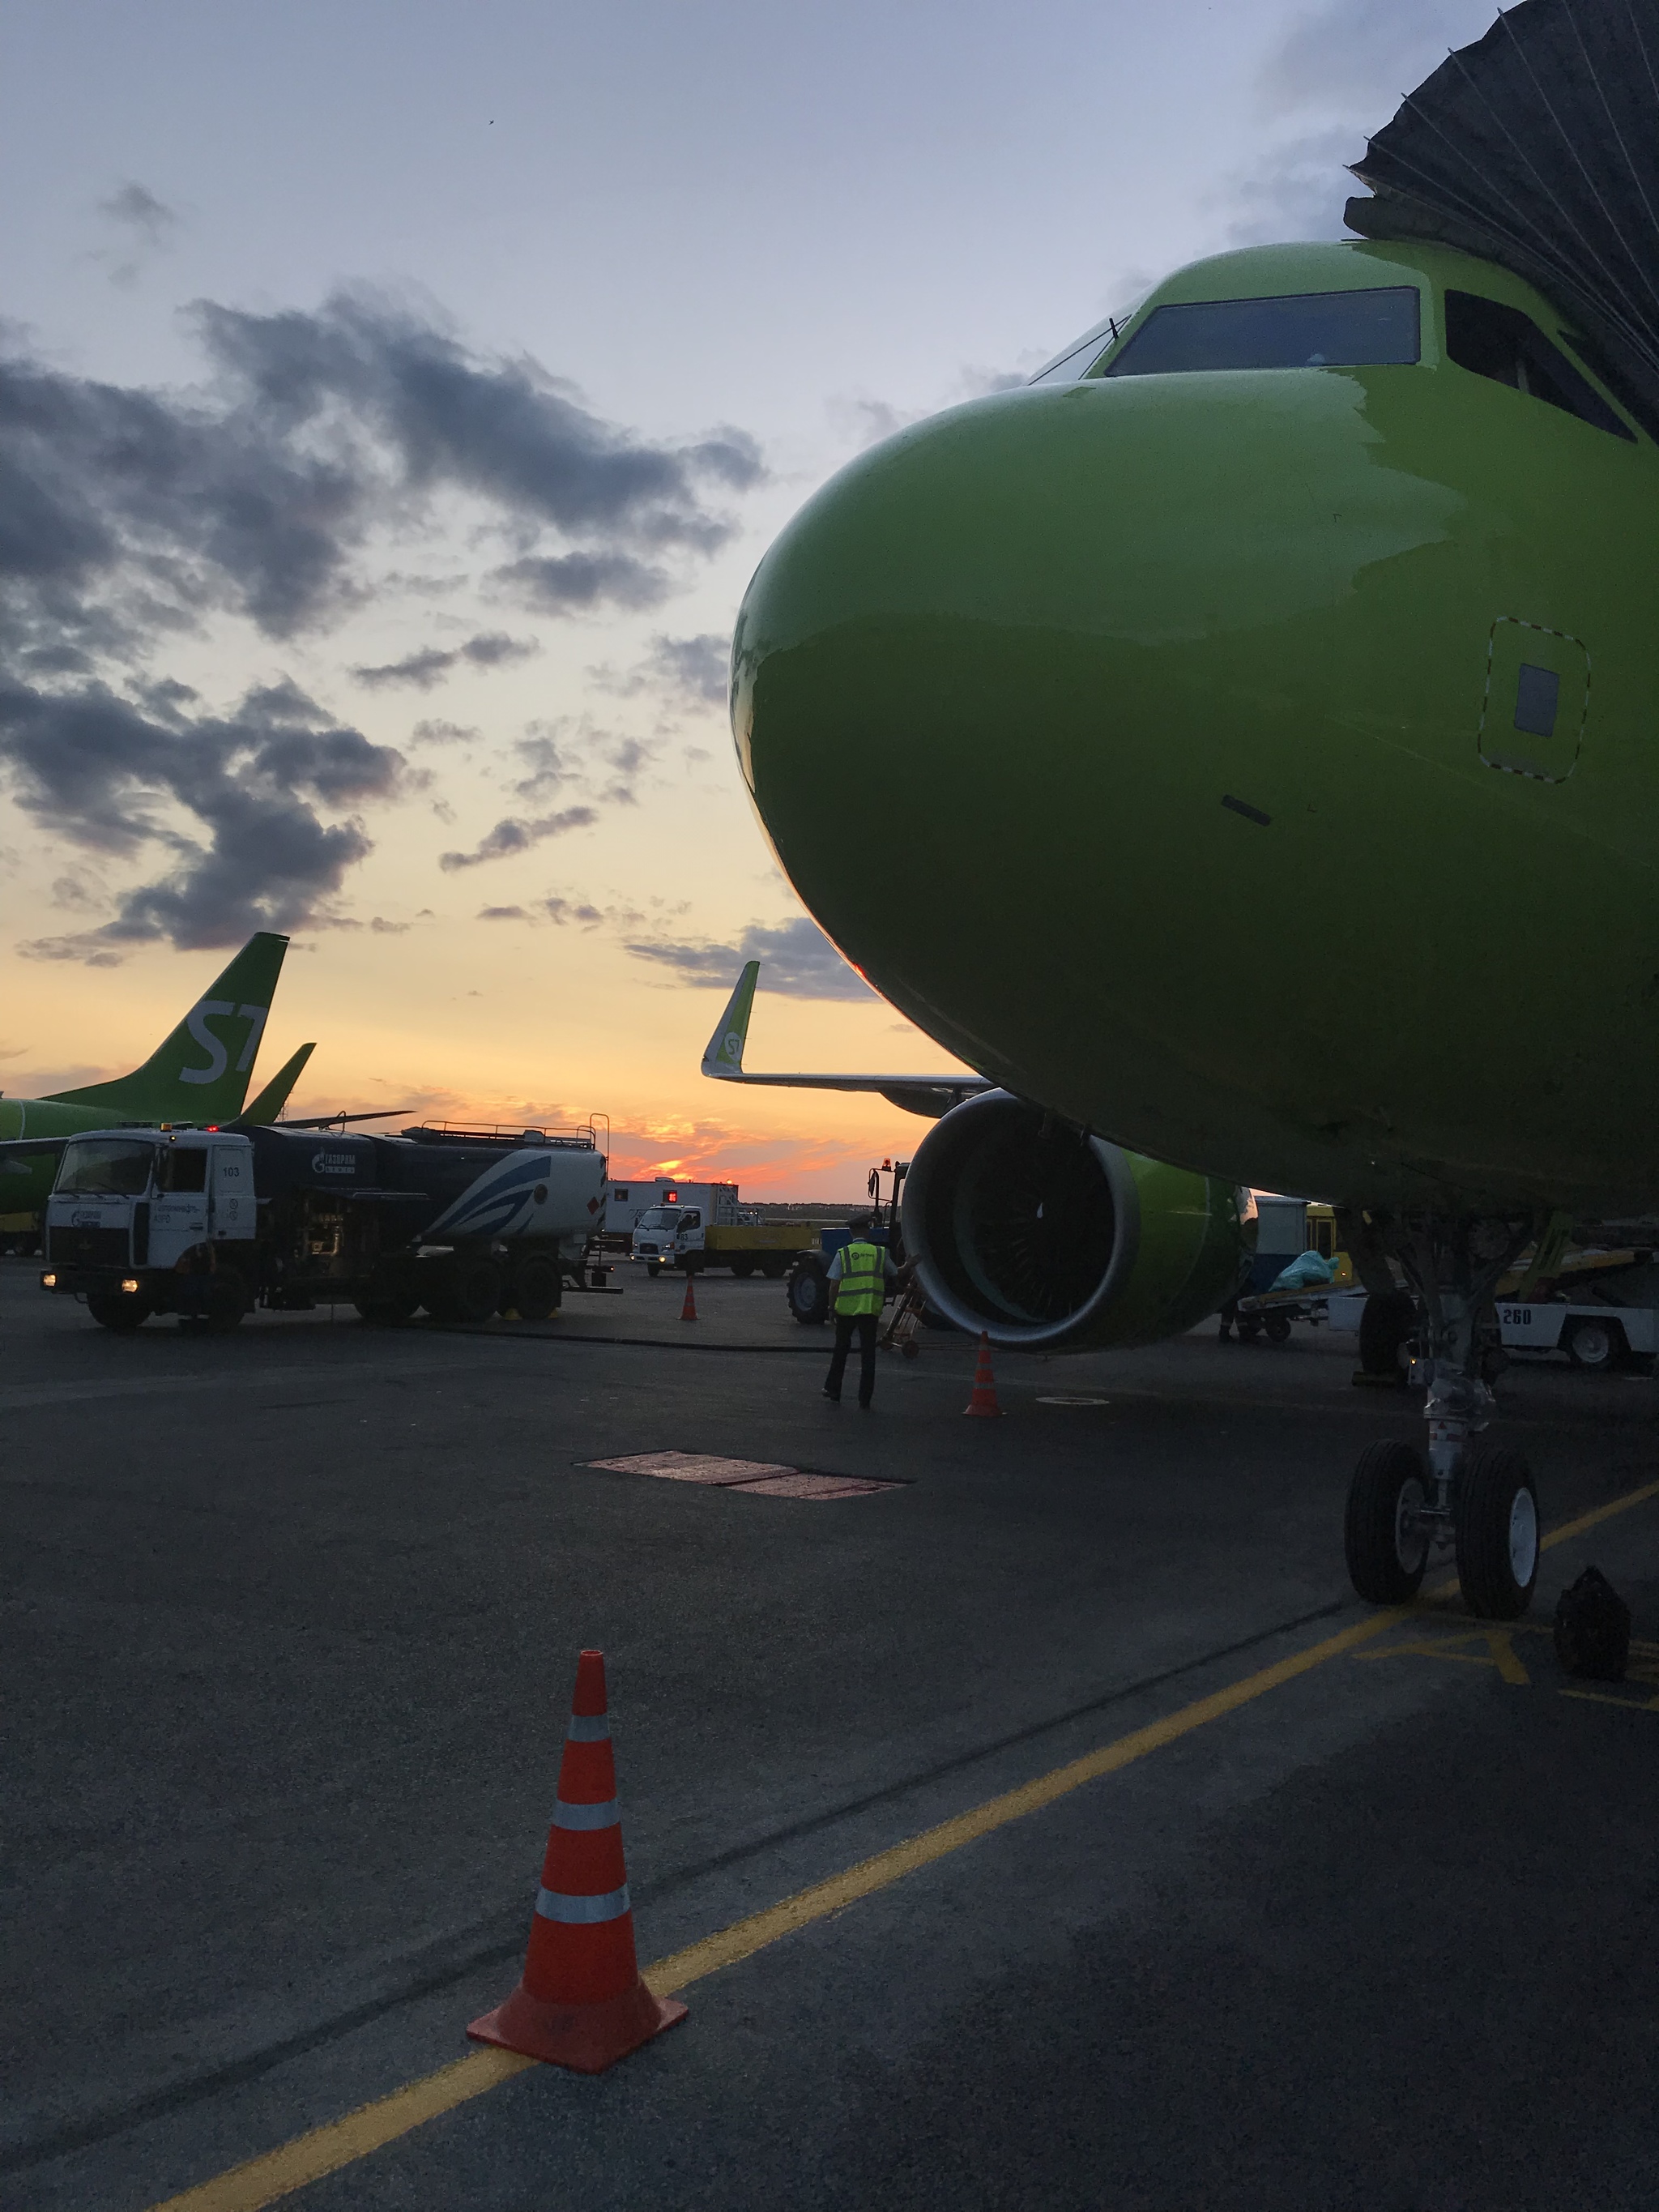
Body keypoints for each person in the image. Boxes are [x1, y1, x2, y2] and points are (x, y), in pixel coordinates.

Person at [823, 1215, 899, 1408]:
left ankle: (834, 1391)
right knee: (868, 1356)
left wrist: (831, 1308)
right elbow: (896, 1272)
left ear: (851, 1232)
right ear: (867, 1230)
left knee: (841, 1351)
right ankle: (864, 1399)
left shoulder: (844, 1254)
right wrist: (912, 1265)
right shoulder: (880, 1253)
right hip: (870, 1310)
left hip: (846, 1311)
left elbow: (834, 1285)